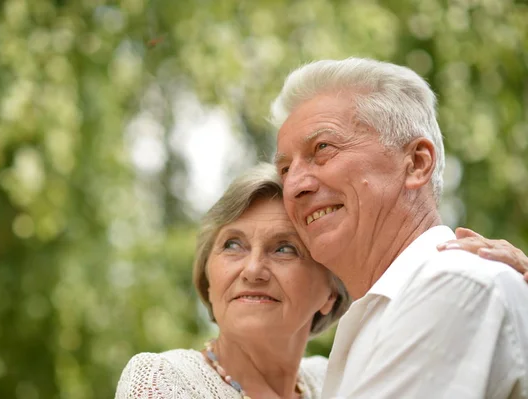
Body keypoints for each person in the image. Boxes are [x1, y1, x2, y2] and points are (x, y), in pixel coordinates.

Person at [115, 164, 527, 399]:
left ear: (331, 293)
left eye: (284, 249)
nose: (253, 269)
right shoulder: (162, 378)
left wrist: (518, 294)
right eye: (233, 246)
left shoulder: (339, 377)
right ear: (207, 278)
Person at [272, 57, 528, 398]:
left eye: (322, 148)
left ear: (417, 163)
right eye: (286, 168)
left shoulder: (454, 284)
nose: (294, 186)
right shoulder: (377, 316)